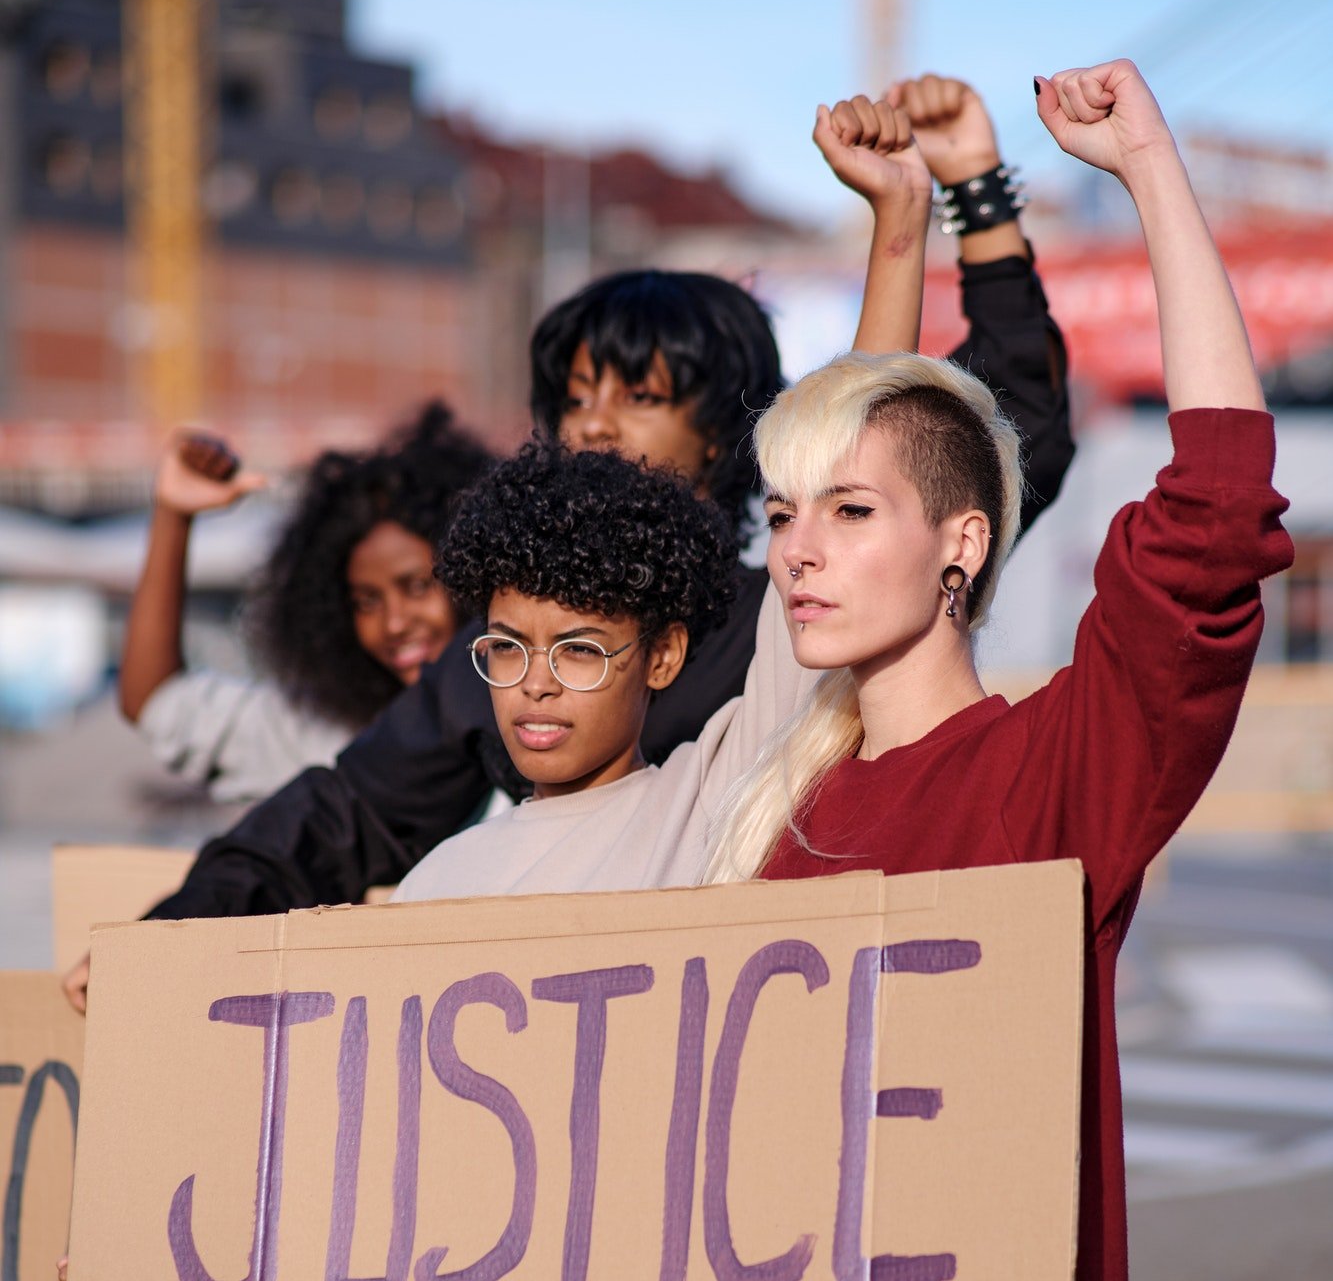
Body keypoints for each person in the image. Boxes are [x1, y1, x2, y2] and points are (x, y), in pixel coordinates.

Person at [413, 60, 1292, 1281]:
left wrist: (1146, 174)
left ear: (962, 544)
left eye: (852, 512)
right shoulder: (750, 795)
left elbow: (1210, 508)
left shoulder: (1055, 770)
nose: (799, 553)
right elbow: (643, 1132)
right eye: (783, 518)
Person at [102, 75, 1074, 940]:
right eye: (573, 396)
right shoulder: (490, 664)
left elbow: (976, 438)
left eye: (641, 397)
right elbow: (346, 811)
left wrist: (943, 207)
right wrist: (172, 934)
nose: (597, 426)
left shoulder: (804, 616)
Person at [120, 402, 493, 803]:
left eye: (418, 587)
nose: (394, 623)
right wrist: (173, 516)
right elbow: (157, 702)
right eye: (366, 601)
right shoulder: (332, 737)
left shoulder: (536, 729)